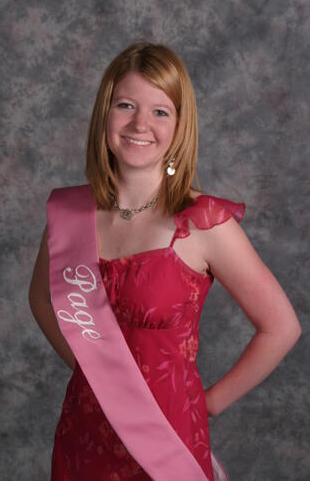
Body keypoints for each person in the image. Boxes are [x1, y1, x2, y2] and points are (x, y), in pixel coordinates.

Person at [28, 42, 302, 481]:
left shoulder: (202, 223)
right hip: (86, 432)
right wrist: (90, 367)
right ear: (106, 114)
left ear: (179, 126)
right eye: (126, 105)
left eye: (160, 111)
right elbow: (42, 299)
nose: (140, 123)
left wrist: (211, 401)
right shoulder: (69, 216)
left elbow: (282, 327)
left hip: (167, 436)